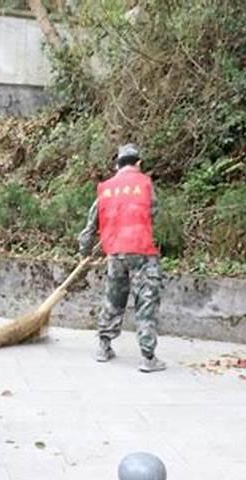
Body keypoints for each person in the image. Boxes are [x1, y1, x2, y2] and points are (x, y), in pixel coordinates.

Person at [78, 143, 167, 373]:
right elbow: (154, 213)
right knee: (145, 301)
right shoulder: (145, 184)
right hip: (142, 251)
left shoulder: (106, 188)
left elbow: (90, 226)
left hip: (115, 253)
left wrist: (85, 251)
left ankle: (103, 346)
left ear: (117, 165)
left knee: (113, 298)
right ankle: (148, 358)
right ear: (138, 163)